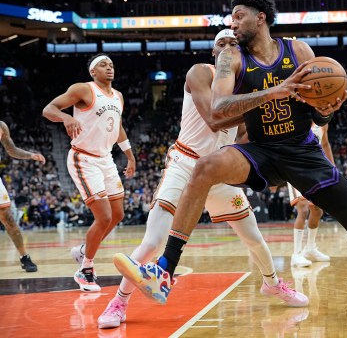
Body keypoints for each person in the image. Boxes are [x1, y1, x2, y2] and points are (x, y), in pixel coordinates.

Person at [115, 0, 347, 322]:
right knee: (205, 166)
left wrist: (328, 110)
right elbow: (217, 111)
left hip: (303, 152)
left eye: (239, 16)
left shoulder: (298, 50)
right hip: (260, 150)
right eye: (230, 17)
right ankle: (164, 270)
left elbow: (317, 114)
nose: (233, 24)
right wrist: (276, 90)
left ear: (261, 17)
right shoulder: (232, 57)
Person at [100, 30, 307, 329]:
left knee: (255, 239)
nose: (226, 48)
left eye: (233, 44)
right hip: (185, 163)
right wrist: (264, 101)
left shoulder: (247, 87)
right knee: (153, 241)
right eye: (220, 44)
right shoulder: (200, 72)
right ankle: (119, 301)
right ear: (212, 52)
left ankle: (272, 283)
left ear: (242, 52)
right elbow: (214, 117)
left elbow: (246, 135)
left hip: (219, 169)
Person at [42, 53, 136, 292]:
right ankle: (86, 269)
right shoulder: (83, 89)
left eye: (111, 64)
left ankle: (83, 251)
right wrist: (65, 118)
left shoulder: (118, 96)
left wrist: (129, 155)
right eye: (103, 65)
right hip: (83, 158)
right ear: (93, 71)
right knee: (103, 217)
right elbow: (49, 109)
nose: (109, 68)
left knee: (117, 215)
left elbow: (118, 126)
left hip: (105, 159)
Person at [0, 120, 45, 272]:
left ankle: (24, 257)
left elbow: (11, 149)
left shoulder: (2, 126)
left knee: (9, 219)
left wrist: (30, 155)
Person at [288, 123, 332, 267]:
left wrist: (332, 167)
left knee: (317, 210)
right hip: (295, 168)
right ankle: (296, 254)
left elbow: (325, 144)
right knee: (303, 209)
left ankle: (310, 249)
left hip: (315, 169)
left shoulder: (323, 122)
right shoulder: (296, 117)